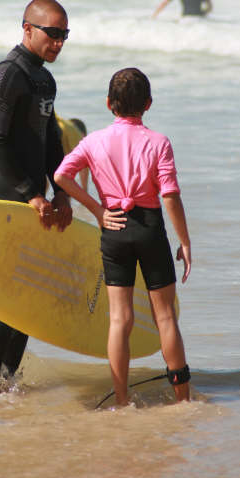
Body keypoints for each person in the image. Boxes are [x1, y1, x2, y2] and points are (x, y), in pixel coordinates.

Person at [54, 67, 191, 405]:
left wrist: (97, 210)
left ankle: (120, 400)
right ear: (148, 103)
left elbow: (61, 176)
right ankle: (182, 399)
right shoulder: (158, 142)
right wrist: (184, 241)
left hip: (113, 229)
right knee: (165, 317)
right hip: (148, 227)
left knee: (120, 318)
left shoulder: (93, 141)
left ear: (108, 104)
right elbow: (170, 195)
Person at [0, 0, 73, 393]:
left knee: (31, 295)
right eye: (52, 33)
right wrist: (29, 194)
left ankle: (10, 381)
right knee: (7, 295)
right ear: (28, 28)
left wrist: (62, 193)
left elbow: (52, 143)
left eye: (64, 35)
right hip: (10, 201)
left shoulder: (45, 79)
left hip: (38, 201)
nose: (59, 41)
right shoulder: (8, 74)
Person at [55, 115, 89, 191]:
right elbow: (84, 168)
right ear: (83, 135)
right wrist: (85, 190)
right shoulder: (76, 134)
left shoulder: (65, 126)